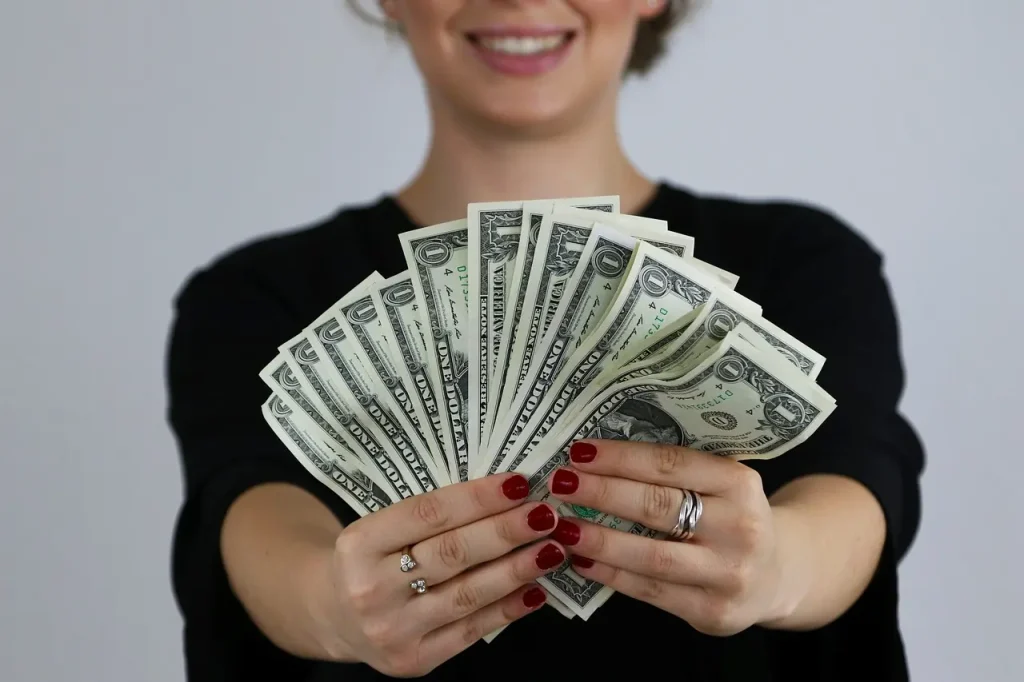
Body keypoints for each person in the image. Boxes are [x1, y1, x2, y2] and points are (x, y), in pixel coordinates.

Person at [166, 1, 925, 680]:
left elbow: (856, 488)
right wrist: (333, 606)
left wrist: (779, 564)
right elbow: (249, 517)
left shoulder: (805, 263)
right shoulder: (253, 297)